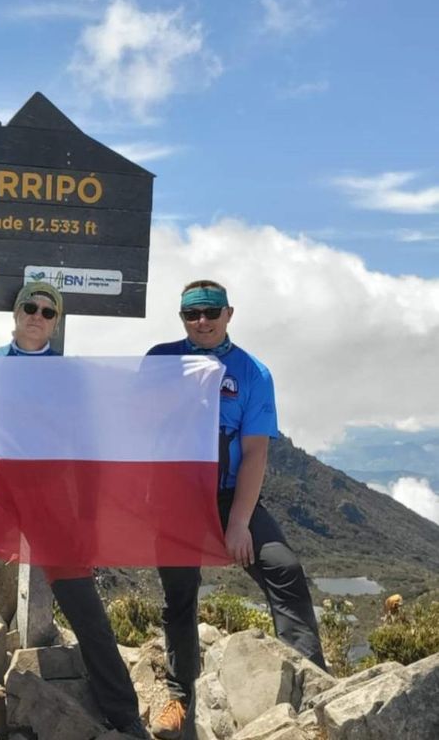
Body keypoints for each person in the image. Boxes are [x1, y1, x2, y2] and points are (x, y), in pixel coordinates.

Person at [0, 282, 149, 739]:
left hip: (51, 499)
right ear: (16, 313)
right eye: (29, 306)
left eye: (47, 311)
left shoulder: (70, 375)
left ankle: (123, 713)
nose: (37, 315)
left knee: (82, 602)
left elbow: (88, 443)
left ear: (55, 322)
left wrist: (87, 516)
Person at [146, 280, 326, 740]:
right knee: (179, 594)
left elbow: (256, 452)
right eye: (191, 315)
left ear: (229, 314)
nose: (201, 322)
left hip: (230, 496)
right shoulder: (160, 360)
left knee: (284, 569)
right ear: (181, 318)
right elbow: (129, 419)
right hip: (178, 496)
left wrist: (240, 523)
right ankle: (178, 696)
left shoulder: (252, 373)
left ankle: (312, 685)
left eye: (210, 312)